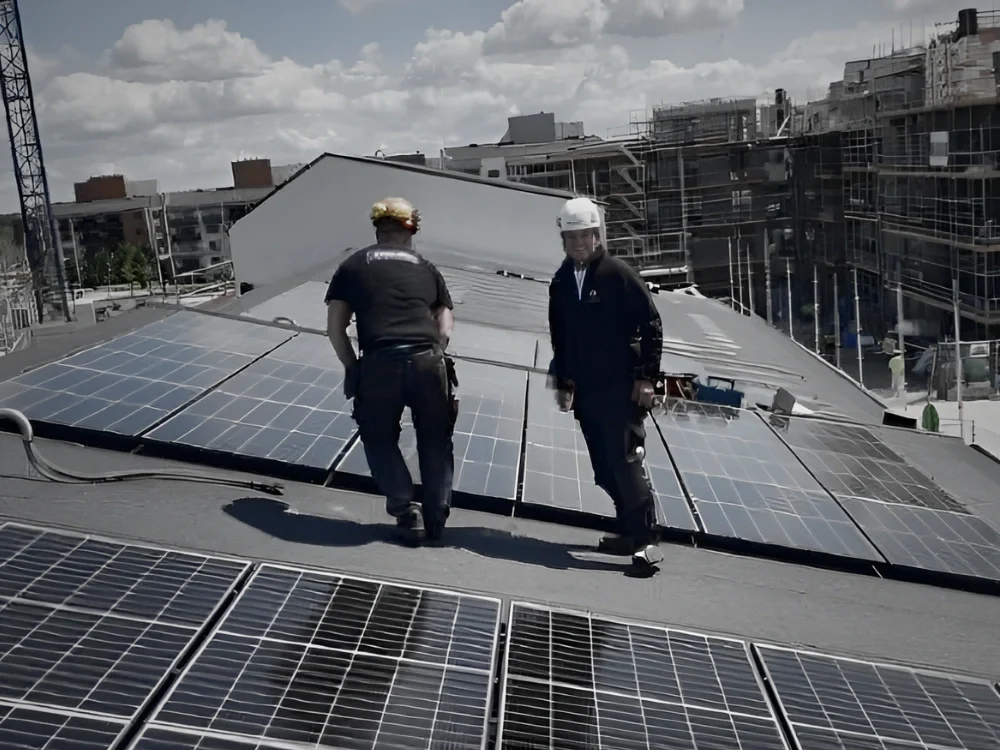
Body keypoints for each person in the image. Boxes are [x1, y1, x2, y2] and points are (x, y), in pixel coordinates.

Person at [325, 197, 457, 545]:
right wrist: (435, 354)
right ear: (410, 230)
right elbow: (444, 325)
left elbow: (336, 329)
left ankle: (405, 509)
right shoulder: (426, 267)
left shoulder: (352, 265)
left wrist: (354, 369)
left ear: (377, 230)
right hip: (428, 360)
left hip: (380, 362)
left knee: (378, 436)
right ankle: (437, 514)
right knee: (435, 437)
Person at [547, 196, 665, 571]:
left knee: (626, 460)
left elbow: (651, 326)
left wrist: (647, 377)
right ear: (562, 240)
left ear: (597, 236)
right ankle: (628, 531)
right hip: (587, 389)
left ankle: (646, 541)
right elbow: (559, 334)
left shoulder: (618, 273)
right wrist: (563, 380)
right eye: (571, 237)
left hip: (621, 386)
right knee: (602, 467)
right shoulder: (562, 281)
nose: (578, 243)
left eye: (585, 235)